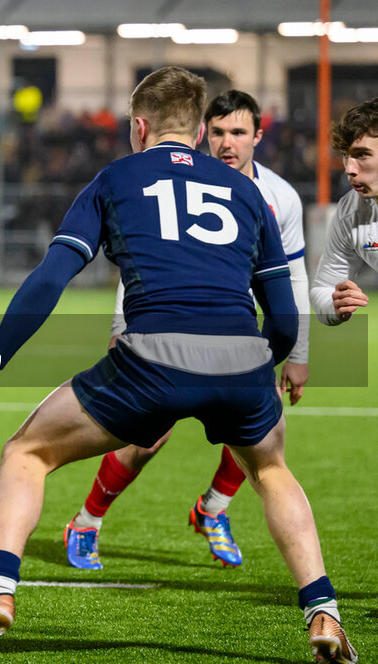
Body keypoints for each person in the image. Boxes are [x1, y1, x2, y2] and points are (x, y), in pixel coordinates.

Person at [0, 67, 356, 664]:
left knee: (26, 453)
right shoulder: (251, 193)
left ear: (138, 127)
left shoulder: (115, 177)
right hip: (243, 360)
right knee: (272, 471)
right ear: (199, 132)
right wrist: (259, 366)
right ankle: (322, 611)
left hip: (152, 359)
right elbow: (282, 310)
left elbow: (50, 279)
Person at [64, 90, 312, 571]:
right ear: (202, 133)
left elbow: (294, 277)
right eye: (217, 132)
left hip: (242, 329)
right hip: (168, 327)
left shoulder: (280, 197)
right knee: (148, 436)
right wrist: (123, 327)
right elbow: (141, 269)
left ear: (258, 136)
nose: (226, 143)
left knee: (257, 430)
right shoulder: (175, 179)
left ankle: (212, 509)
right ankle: (87, 522)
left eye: (238, 133)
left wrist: (295, 351)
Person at [309, 97, 378, 325]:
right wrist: (335, 303)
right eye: (346, 155)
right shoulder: (351, 210)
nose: (349, 168)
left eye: (361, 155)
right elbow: (323, 289)